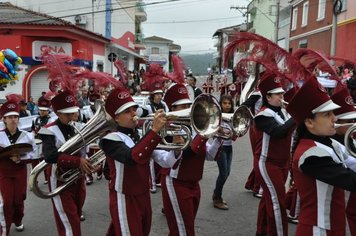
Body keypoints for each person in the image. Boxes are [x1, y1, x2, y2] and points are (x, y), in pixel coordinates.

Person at [99, 86, 176, 235]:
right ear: (116, 117)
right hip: (125, 197)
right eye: (127, 112)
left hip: (144, 195)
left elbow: (165, 161)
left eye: (134, 109)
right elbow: (132, 158)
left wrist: (177, 147)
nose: (134, 113)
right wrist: (153, 132)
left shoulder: (141, 134)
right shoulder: (110, 139)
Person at [286, 77, 356, 235]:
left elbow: (353, 163)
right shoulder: (311, 154)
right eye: (327, 114)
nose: (334, 118)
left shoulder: (330, 143)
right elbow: (350, 179)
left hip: (334, 226)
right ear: (310, 122)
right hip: (317, 230)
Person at [160, 83, 222, 236]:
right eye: (182, 107)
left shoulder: (195, 128)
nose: (188, 110)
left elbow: (209, 155)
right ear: (172, 110)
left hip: (194, 183)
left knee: (183, 227)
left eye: (189, 105)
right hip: (176, 182)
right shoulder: (169, 130)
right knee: (184, 230)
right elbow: (187, 153)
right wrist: (204, 135)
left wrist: (219, 138)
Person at [38, 90, 93, 236]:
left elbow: (85, 149)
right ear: (59, 114)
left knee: (76, 211)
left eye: (74, 112)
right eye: (68, 114)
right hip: (59, 179)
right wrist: (77, 161)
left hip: (78, 177)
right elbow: (49, 156)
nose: (73, 117)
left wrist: (90, 163)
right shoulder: (48, 130)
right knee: (70, 221)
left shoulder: (77, 126)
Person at [254, 73, 295, 236]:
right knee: (277, 203)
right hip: (267, 163)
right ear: (268, 97)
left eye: (282, 93)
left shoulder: (284, 113)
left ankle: (262, 231)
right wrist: (297, 114)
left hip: (282, 163)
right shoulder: (263, 115)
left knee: (268, 200)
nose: (282, 96)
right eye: (278, 94)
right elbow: (278, 132)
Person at [0, 96, 36, 235]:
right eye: (10, 117)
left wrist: (21, 158)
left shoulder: (27, 135)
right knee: (7, 201)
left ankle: (18, 219)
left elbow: (34, 153)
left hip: (20, 170)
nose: (13, 119)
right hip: (4, 171)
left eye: (15, 116)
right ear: (4, 119)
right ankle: (5, 229)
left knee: (19, 199)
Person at [330, 87, 356, 235]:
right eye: (349, 120)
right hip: (345, 201)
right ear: (336, 121)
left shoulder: (348, 136)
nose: (353, 123)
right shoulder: (334, 144)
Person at [212, 94, 237, 210]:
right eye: (224, 103)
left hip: (229, 148)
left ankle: (216, 192)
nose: (227, 105)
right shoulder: (216, 116)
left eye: (229, 103)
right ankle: (217, 198)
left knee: (227, 173)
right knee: (223, 173)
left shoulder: (233, 117)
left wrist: (235, 132)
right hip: (220, 148)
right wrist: (219, 130)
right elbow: (211, 131)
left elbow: (234, 136)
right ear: (220, 104)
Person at [31, 97, 54, 183]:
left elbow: (51, 132)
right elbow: (33, 129)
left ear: (48, 110)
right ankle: (34, 179)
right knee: (34, 161)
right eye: (40, 110)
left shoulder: (51, 120)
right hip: (36, 143)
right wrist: (33, 133)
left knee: (45, 161)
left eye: (44, 110)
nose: (42, 112)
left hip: (46, 143)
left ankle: (47, 178)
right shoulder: (35, 119)